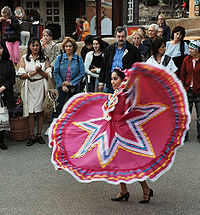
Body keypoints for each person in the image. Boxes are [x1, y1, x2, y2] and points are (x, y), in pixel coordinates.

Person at [110, 68, 153, 203]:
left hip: (124, 133)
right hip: (114, 131)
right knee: (118, 164)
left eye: (115, 79)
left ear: (123, 80)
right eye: (111, 79)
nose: (112, 81)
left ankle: (146, 189)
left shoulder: (125, 94)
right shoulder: (116, 93)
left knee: (132, 164)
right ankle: (124, 191)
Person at [18, 38, 52, 146]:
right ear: (29, 46)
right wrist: (32, 73)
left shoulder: (44, 58)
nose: (35, 47)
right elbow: (21, 75)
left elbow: (48, 76)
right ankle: (31, 136)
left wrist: (40, 71)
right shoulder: (24, 58)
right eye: (33, 45)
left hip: (40, 85)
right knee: (30, 112)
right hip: (29, 86)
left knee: (40, 111)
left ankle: (39, 135)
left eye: (37, 45)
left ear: (40, 46)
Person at [99, 26, 142, 93]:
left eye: (122, 36)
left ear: (126, 37)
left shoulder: (133, 50)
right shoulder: (109, 49)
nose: (120, 39)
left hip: (125, 84)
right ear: (115, 37)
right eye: (119, 36)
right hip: (110, 83)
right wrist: (101, 82)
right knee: (108, 102)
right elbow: (104, 65)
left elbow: (138, 66)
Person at [52, 37, 85, 120]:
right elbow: (55, 72)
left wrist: (71, 83)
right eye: (66, 46)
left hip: (74, 86)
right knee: (59, 107)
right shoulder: (59, 58)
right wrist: (62, 84)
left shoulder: (78, 59)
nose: (68, 48)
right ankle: (54, 126)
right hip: (61, 87)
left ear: (73, 47)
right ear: (64, 47)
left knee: (74, 108)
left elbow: (82, 73)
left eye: (70, 46)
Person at [180, 40, 200, 142]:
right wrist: (183, 88)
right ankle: (185, 135)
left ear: (197, 50)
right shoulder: (186, 60)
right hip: (188, 91)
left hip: (199, 91)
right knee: (186, 115)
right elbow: (182, 75)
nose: (190, 50)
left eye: (192, 49)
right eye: (190, 48)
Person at [0, 40, 15, 150]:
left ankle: (1, 141)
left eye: (0, 48)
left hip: (4, 93)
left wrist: (3, 87)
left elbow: (12, 78)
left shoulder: (8, 62)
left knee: (3, 118)